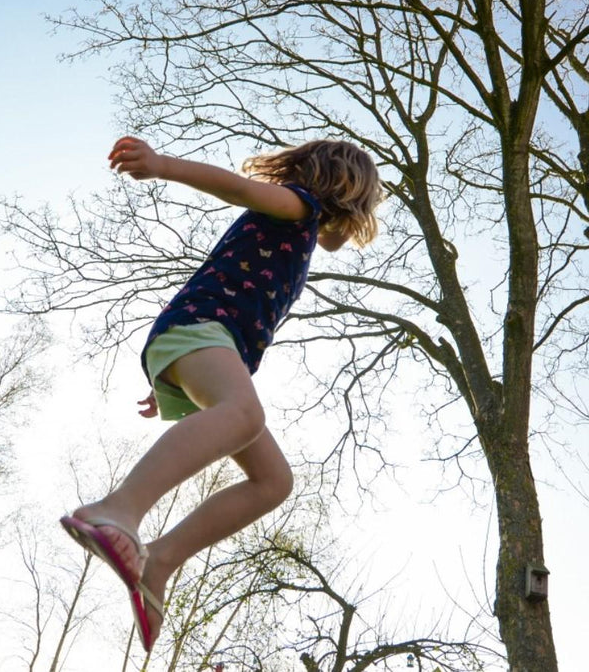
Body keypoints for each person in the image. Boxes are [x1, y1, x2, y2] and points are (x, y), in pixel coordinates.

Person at [60, 135, 383, 651]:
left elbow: (333, 241)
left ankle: (158, 562)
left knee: (274, 481)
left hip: (203, 344)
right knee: (243, 414)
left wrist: (174, 377)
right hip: (202, 330)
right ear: (345, 191)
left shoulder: (301, 226)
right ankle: (117, 509)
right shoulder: (299, 204)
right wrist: (162, 165)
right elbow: (235, 187)